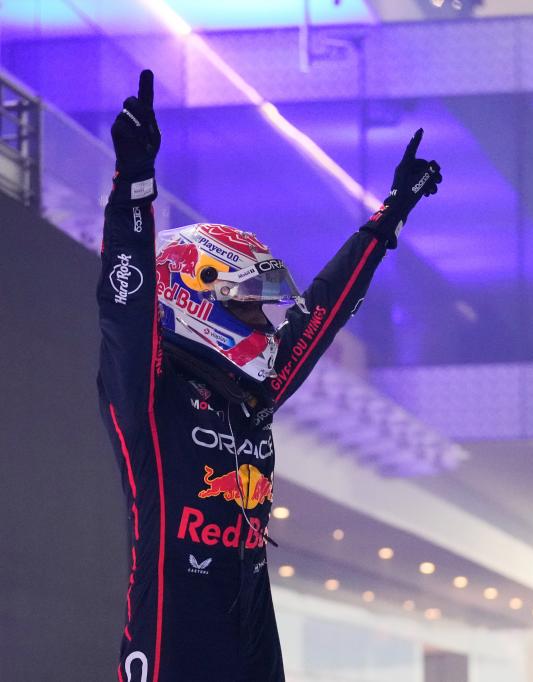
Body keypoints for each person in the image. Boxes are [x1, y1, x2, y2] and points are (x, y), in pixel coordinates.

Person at [97, 70, 441, 682]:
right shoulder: (147, 395)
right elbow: (125, 310)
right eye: (248, 306)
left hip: (255, 638)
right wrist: (133, 190)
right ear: (196, 299)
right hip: (172, 645)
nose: (263, 321)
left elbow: (323, 312)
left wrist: (390, 217)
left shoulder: (253, 393)